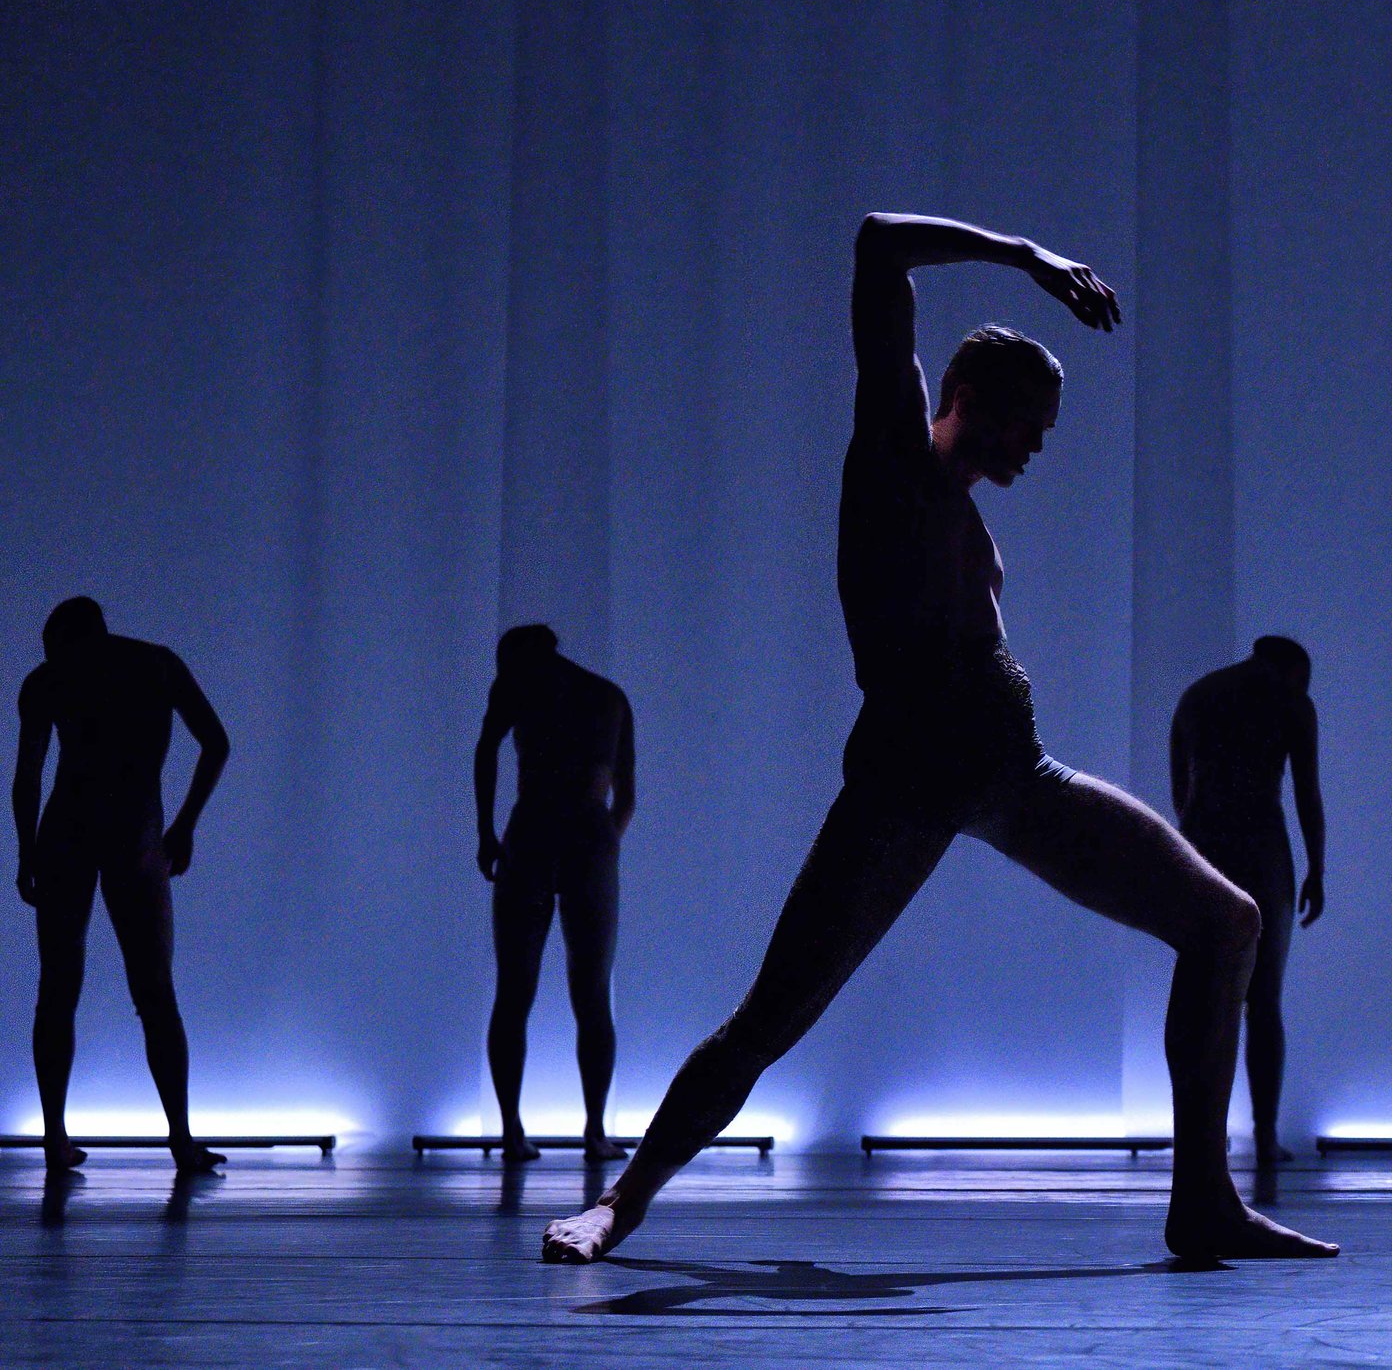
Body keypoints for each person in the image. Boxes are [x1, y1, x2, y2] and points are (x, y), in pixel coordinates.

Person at [543, 213, 1334, 1264]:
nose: (1037, 448)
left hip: (1015, 777)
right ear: (970, 400)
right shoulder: (892, 464)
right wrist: (1026, 259)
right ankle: (622, 1201)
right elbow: (873, 242)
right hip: (906, 784)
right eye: (1028, 425)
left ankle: (1202, 1201)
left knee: (1227, 922)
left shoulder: (971, 519)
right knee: (769, 1019)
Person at [11, 597, 229, 1174]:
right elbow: (216, 742)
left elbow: (29, 774)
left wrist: (26, 848)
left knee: (66, 987)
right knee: (150, 992)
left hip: (79, 834)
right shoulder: (152, 666)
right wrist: (182, 825)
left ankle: (60, 1137)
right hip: (131, 834)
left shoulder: (52, 678)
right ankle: (177, 1140)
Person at [474, 624, 637, 1162]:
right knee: (586, 992)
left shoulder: (522, 686)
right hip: (584, 838)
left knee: (521, 989)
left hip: (538, 834)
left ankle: (516, 1131)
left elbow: (486, 751)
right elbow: (626, 794)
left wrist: (487, 834)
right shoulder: (606, 696)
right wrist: (606, 837)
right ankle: (588, 1132)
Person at [1171, 636, 1327, 1168]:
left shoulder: (1197, 696)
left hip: (1203, 849)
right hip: (1263, 852)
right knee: (1264, 1003)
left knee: (1207, 1001)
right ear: (1293, 670)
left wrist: (1188, 855)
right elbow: (1307, 791)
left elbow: (1180, 791)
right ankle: (1263, 1135)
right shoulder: (1291, 702)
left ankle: (1202, 1138)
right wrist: (1317, 868)